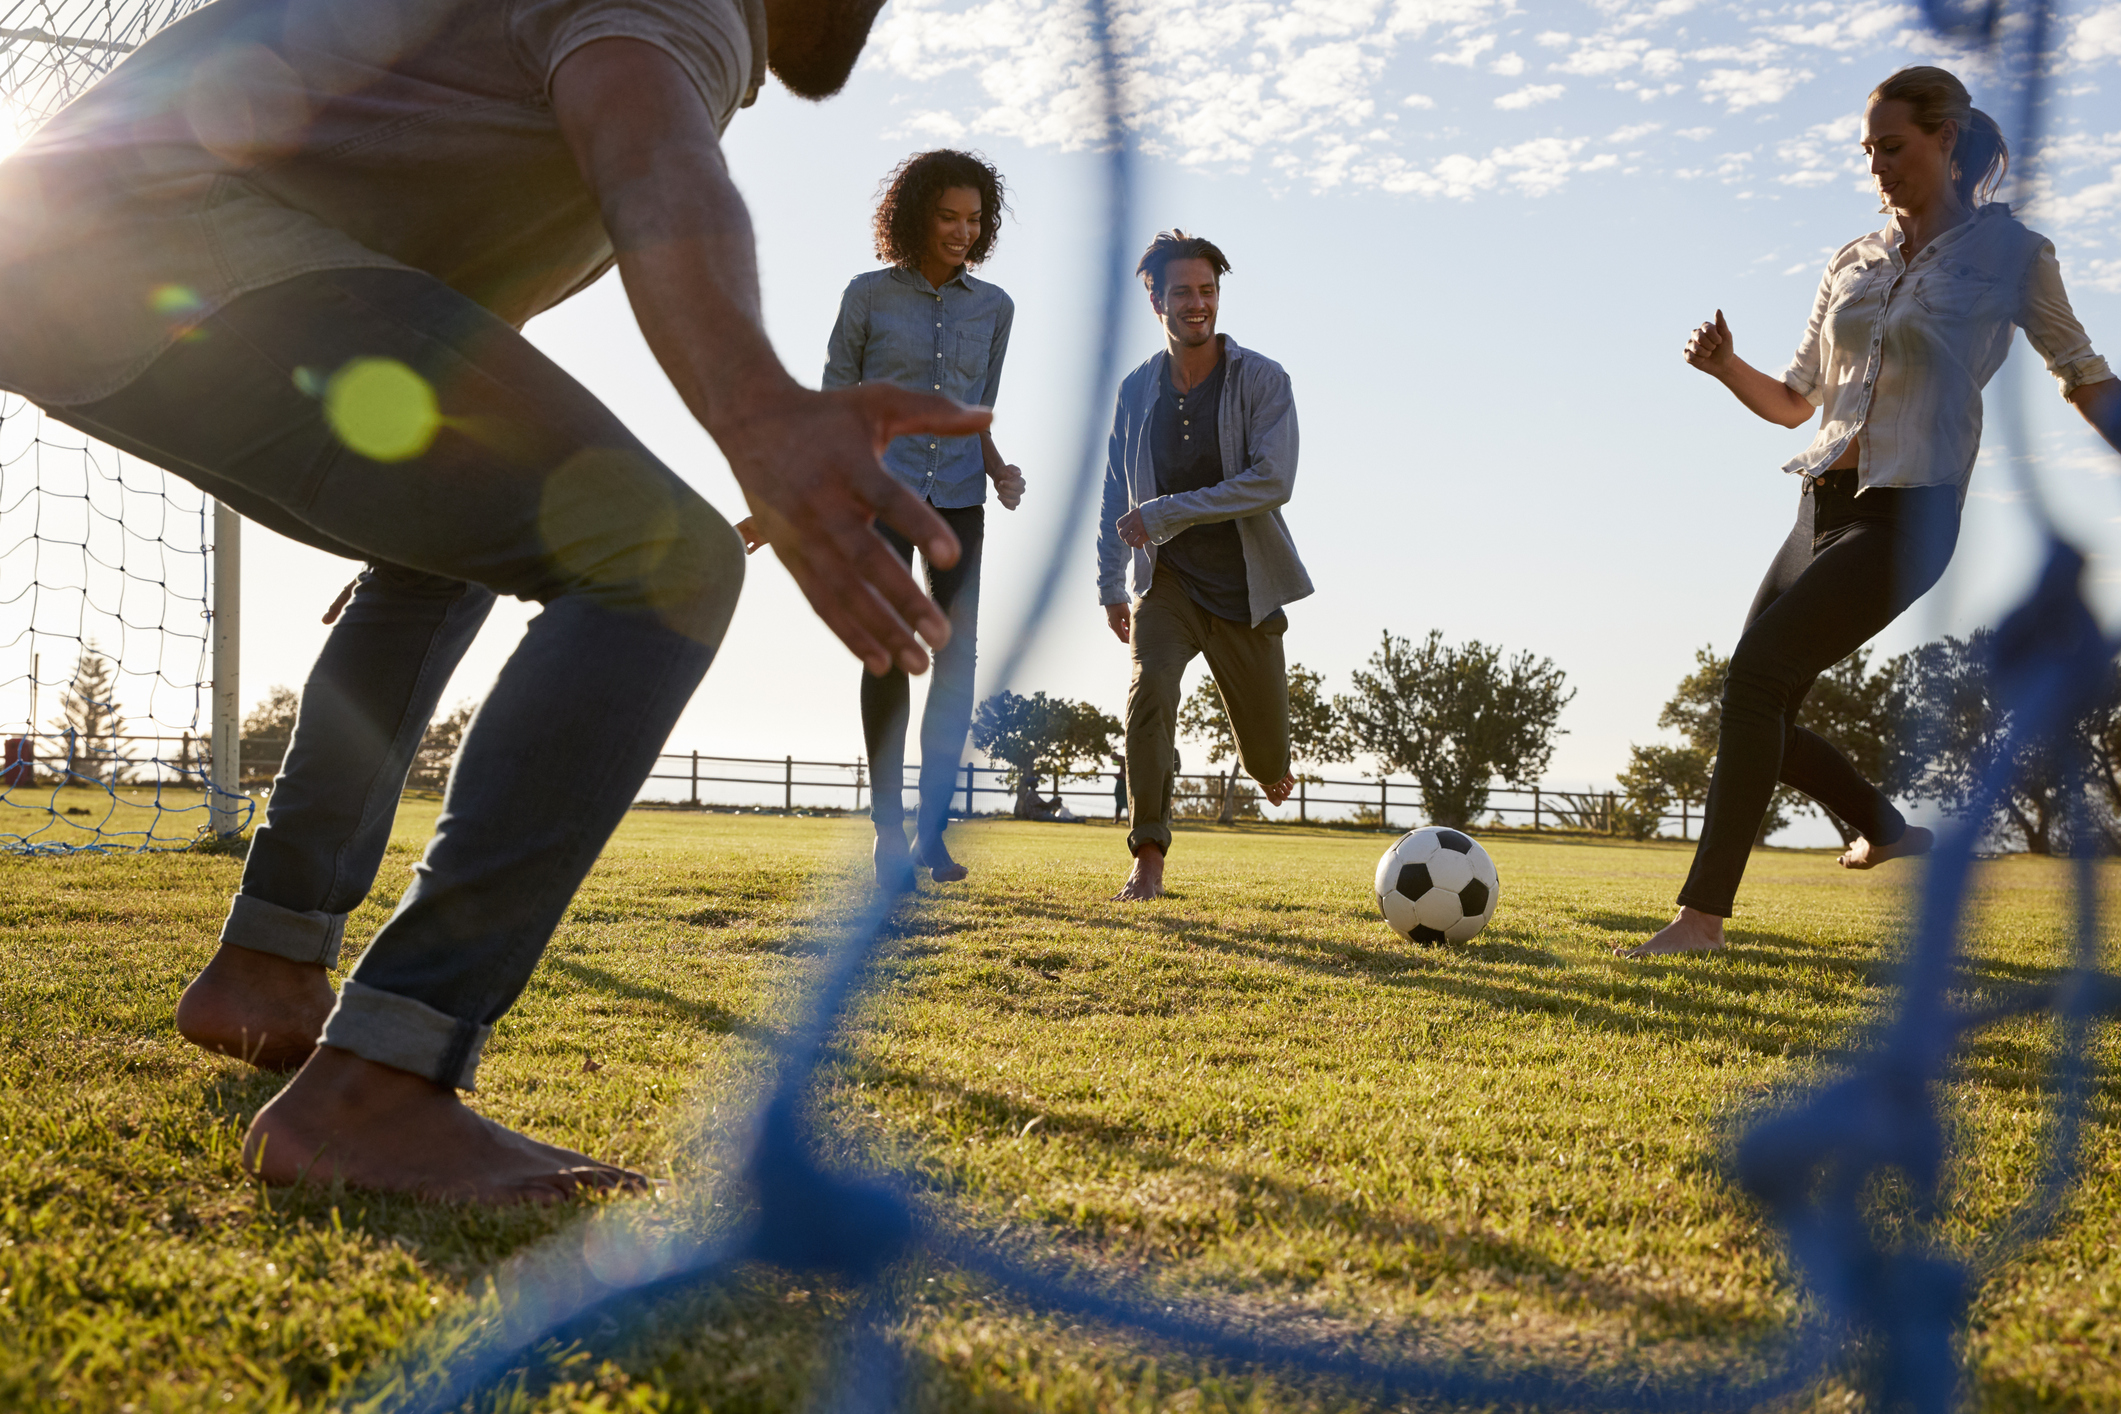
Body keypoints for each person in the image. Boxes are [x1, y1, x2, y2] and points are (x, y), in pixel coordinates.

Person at [0, 0, 984, 1201]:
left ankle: (270, 967)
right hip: (157, 239)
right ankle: (378, 1086)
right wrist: (761, 412)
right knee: (662, 557)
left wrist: (431, 508)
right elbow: (652, 160)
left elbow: (459, 284)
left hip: (76, 246)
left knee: (463, 554)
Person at [1627, 66, 2121, 958]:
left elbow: (2082, 374)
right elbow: (1793, 399)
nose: (1877, 167)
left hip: (1910, 514)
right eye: (1867, 152)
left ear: (1947, 140)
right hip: (1819, 503)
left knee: (1756, 683)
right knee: (1756, 708)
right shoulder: (1851, 259)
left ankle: (1700, 920)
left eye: (1891, 147)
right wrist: (1722, 366)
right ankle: (1880, 826)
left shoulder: (2013, 257)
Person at [736, 152, 1022, 885]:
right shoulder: (866, 296)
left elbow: (973, 412)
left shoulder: (995, 309)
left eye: (974, 219)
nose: (963, 231)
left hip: (959, 496)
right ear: (916, 215)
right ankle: (887, 831)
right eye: (948, 216)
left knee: (955, 663)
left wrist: (997, 466)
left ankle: (931, 832)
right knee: (891, 652)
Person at [1096, 231, 1311, 901]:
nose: (1197, 304)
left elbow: (1272, 482)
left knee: (1267, 756)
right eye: (1183, 292)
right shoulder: (1135, 390)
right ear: (1155, 298)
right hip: (1167, 585)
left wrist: (1162, 511)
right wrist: (1110, 582)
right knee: (1148, 694)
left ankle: (1268, 762)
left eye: (1207, 291)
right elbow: (1112, 492)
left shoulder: (1263, 380)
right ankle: (1148, 856)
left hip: (1245, 590)